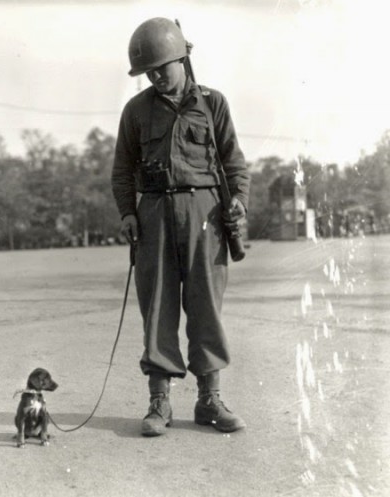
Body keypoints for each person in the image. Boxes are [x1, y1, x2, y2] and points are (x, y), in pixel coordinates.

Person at [111, 17, 250, 437]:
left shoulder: (213, 103)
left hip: (206, 214)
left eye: (161, 68)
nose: (155, 77)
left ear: (183, 58)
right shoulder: (135, 111)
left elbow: (234, 163)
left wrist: (239, 202)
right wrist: (128, 213)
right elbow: (122, 171)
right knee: (157, 307)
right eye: (147, 72)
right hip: (153, 214)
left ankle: (209, 400)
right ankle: (160, 402)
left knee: (206, 305)